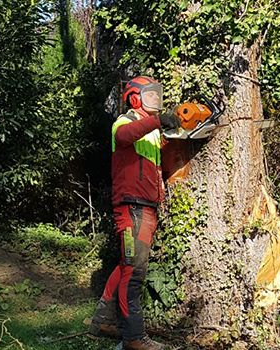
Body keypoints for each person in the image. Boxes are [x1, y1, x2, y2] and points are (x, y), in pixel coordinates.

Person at [88, 76, 180, 350]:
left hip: (146, 205)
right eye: (150, 95)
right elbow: (123, 137)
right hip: (132, 205)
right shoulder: (125, 122)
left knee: (128, 264)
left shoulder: (151, 132)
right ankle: (134, 338)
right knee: (135, 272)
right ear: (135, 98)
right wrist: (158, 121)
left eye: (157, 94)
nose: (156, 100)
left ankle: (102, 321)